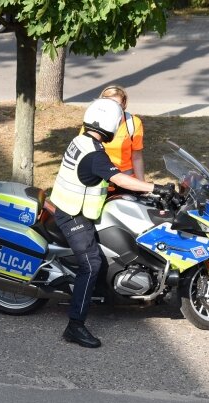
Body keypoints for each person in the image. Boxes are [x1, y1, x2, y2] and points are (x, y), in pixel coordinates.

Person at [49, 98, 175, 348]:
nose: (117, 129)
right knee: (91, 264)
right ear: (107, 124)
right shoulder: (94, 154)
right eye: (116, 125)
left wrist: (143, 193)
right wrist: (155, 188)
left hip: (76, 207)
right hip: (74, 215)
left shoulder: (83, 141)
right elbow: (119, 177)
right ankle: (75, 326)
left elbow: (106, 177)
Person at [98, 85, 145, 181]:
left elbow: (137, 157)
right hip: (99, 180)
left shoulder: (134, 123)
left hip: (125, 180)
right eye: (109, 103)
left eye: (117, 105)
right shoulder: (93, 121)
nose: (113, 108)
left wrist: (142, 185)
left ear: (124, 104)